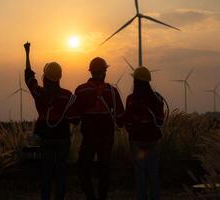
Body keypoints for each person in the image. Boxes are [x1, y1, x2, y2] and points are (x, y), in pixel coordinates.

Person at [24, 42, 75, 200]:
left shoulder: (39, 93)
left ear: (45, 76)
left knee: (46, 173)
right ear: (59, 77)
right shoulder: (68, 95)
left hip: (46, 139)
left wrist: (27, 53)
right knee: (61, 173)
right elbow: (74, 117)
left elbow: (28, 76)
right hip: (63, 139)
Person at [71, 57, 125, 200]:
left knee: (82, 169)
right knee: (104, 169)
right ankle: (102, 197)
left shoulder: (81, 90)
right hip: (107, 138)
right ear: (104, 71)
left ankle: (90, 196)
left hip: (89, 137)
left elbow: (74, 118)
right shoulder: (112, 91)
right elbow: (120, 118)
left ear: (91, 71)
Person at [124, 67, 165, 200]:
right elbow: (160, 120)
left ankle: (141, 197)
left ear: (135, 81)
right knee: (153, 173)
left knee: (140, 173)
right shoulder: (157, 98)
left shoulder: (131, 99)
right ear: (148, 81)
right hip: (153, 140)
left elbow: (128, 122)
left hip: (137, 141)